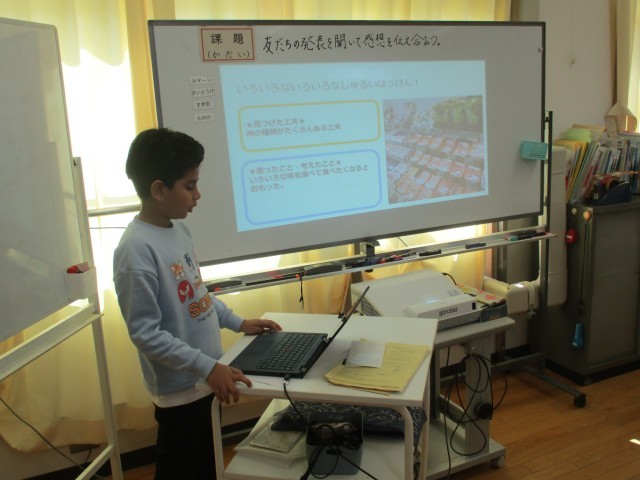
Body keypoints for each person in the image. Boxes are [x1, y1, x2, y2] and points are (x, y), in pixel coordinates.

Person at [113, 127, 281, 479]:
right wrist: (206, 367)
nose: (198, 194)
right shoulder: (135, 250)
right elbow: (145, 333)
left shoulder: (178, 231)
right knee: (181, 467)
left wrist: (238, 322)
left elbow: (197, 292)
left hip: (204, 375)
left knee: (206, 463)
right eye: (189, 186)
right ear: (159, 190)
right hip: (180, 390)